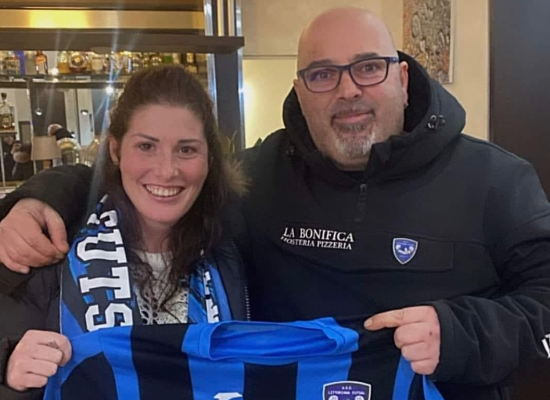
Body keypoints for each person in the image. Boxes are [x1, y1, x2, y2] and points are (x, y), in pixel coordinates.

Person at [0, 7, 550, 399]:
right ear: (300, 89)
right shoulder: (259, 174)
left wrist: (461, 334)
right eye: (322, 74)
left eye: (368, 67)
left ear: (402, 77)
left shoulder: (497, 181)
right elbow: (158, 182)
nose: (348, 90)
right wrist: (41, 195)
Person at [0, 65, 248, 399]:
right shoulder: (52, 244)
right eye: (146, 146)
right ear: (116, 151)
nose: (167, 170)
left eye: (186, 149)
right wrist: (8, 369)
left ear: (209, 159)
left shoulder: (237, 246)